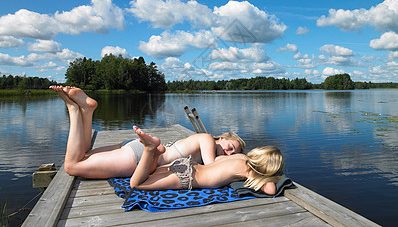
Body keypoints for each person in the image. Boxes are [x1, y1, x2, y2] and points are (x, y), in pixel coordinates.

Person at [50, 86, 245, 179]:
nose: (228, 153)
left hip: (139, 150)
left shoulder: (201, 142)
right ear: (221, 137)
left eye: (232, 153)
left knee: (82, 155)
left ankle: (87, 111)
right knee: (73, 166)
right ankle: (74, 110)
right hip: (141, 156)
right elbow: (212, 168)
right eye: (230, 147)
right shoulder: (207, 140)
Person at [130, 126, 284, 196]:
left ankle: (155, 155)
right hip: (187, 177)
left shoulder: (239, 157)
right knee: (137, 184)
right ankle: (149, 150)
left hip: (187, 164)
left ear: (256, 150)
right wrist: (268, 176)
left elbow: (217, 162)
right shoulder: (250, 172)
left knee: (150, 175)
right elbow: (271, 190)